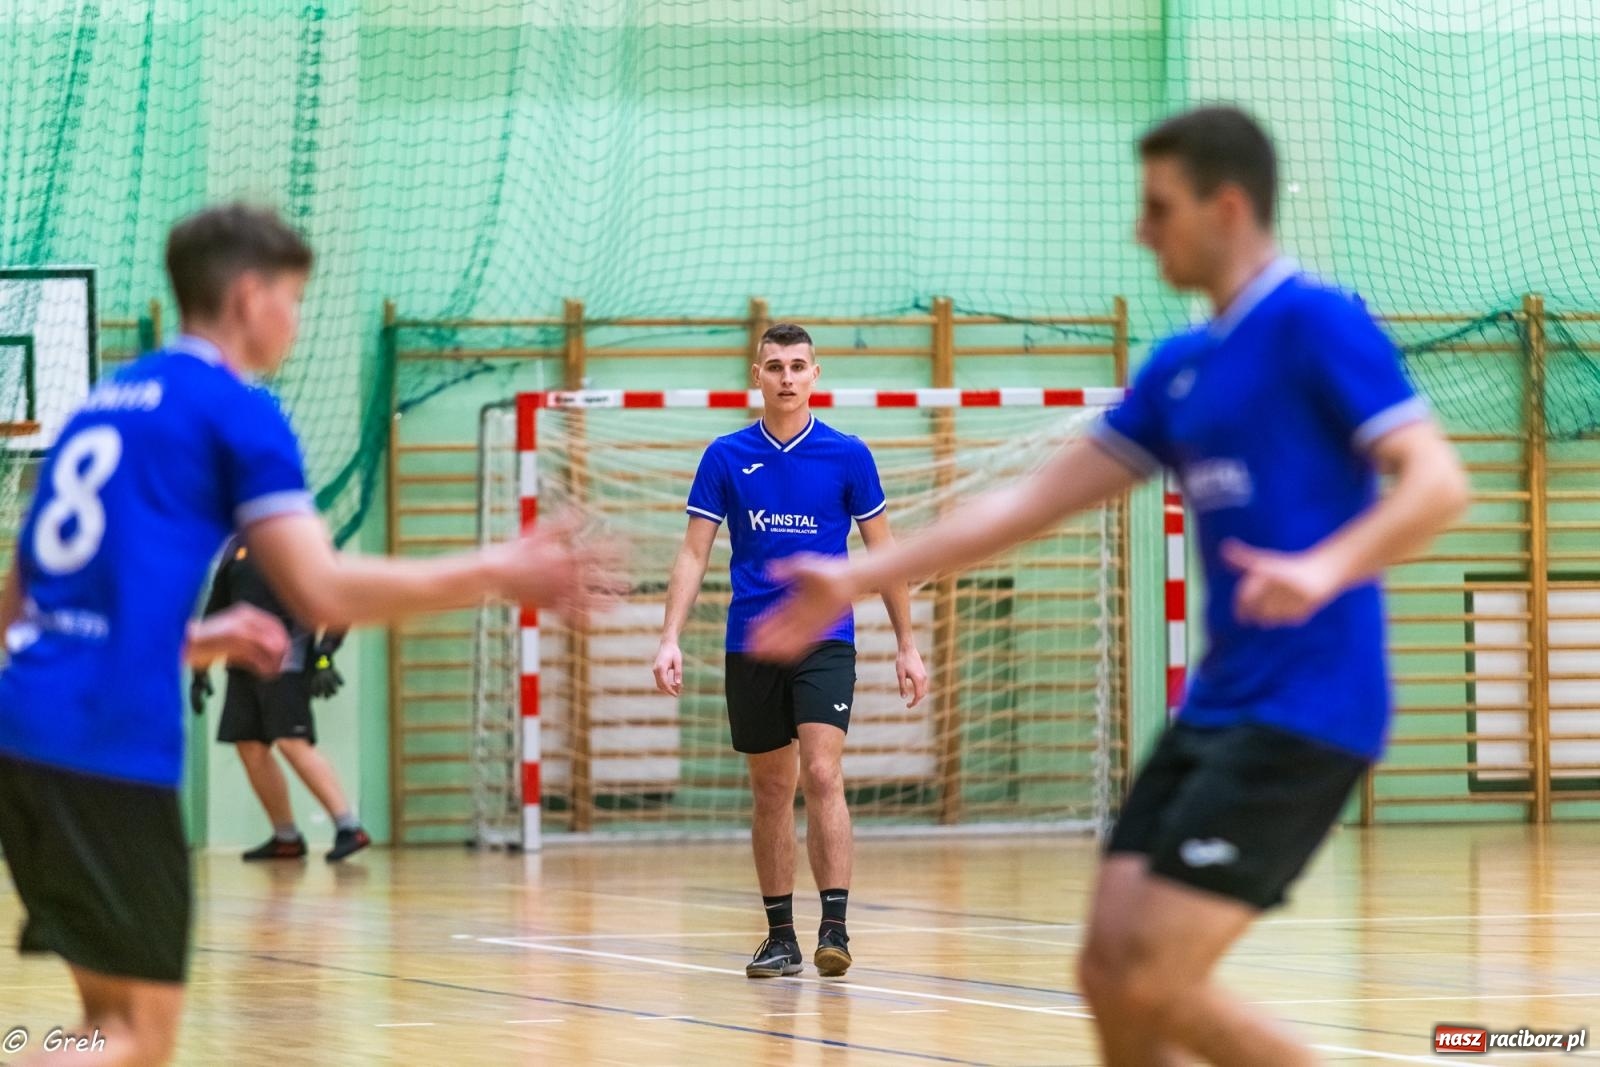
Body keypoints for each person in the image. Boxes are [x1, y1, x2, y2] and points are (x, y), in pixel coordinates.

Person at [750, 107, 1470, 1064]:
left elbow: (1437, 481)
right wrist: (855, 569)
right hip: (1215, 709)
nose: (1141, 230)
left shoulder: (1314, 323)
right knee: (1104, 971)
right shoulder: (1180, 366)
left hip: (1309, 708)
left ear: (1225, 206)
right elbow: (1030, 505)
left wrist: (1324, 564)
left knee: (1158, 976)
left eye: (1158, 207)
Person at [0, 203, 617, 1067]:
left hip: (26, 734)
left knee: (103, 1019)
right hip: (105, 745)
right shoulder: (235, 410)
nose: (296, 319)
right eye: (294, 297)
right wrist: (497, 570)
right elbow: (322, 588)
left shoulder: (97, 407)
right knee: (137, 1039)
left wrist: (204, 637)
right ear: (251, 297)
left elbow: (24, 606)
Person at [652, 322, 928, 980]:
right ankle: (781, 935)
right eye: (773, 365)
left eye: (797, 365)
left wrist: (907, 643)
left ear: (815, 374)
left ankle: (834, 924)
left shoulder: (848, 454)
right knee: (773, 789)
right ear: (757, 375)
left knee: (824, 773)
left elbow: (883, 553)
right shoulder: (724, 456)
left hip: (824, 637)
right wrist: (668, 636)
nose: (785, 376)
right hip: (752, 641)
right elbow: (694, 552)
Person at [192, 536, 368, 862]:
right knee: (249, 744)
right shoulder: (234, 547)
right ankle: (285, 836)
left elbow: (341, 601)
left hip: (288, 662)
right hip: (242, 664)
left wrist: (325, 657)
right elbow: (217, 608)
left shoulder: (301, 539)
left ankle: (348, 827)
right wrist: (200, 672)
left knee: (291, 740)